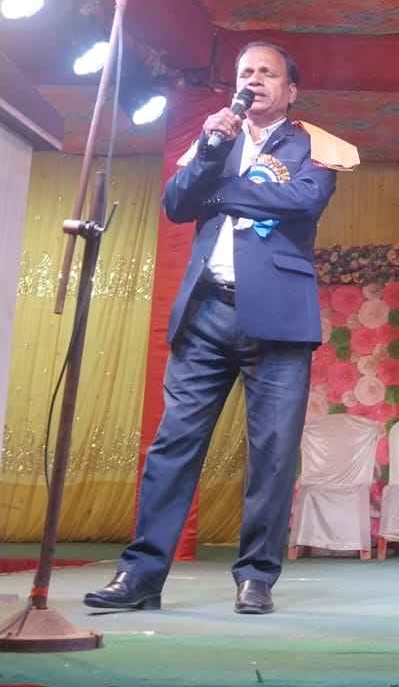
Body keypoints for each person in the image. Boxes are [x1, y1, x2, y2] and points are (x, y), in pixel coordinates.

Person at [85, 41, 352, 615]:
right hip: (206, 311)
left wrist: (222, 191)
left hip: (278, 319)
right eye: (245, 72)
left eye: (267, 73)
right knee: (173, 445)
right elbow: (178, 204)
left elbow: (303, 201)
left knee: (273, 453)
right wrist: (211, 151)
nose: (254, 80)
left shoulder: (315, 143)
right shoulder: (214, 136)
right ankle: (140, 575)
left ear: (290, 90)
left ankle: (256, 577)